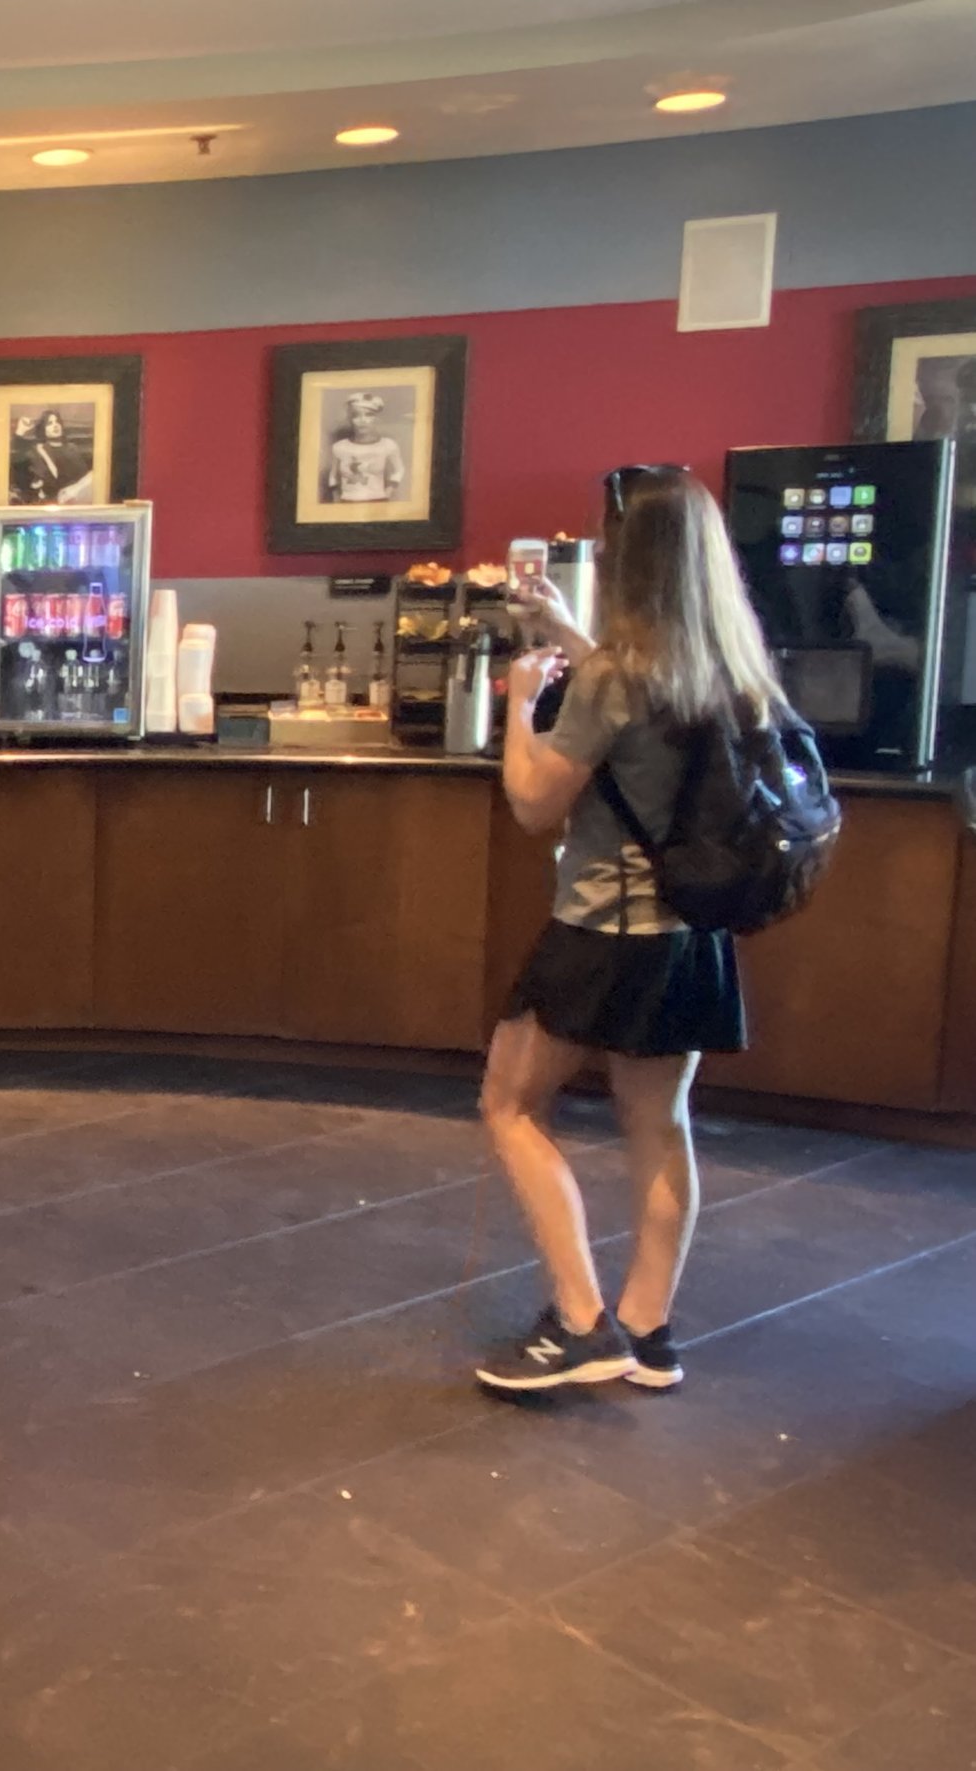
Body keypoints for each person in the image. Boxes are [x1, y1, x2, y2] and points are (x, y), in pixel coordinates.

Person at [474, 464, 782, 1395]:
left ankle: (578, 1319)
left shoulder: (613, 677)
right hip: (693, 935)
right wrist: (573, 635)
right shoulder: (733, 668)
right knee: (660, 1121)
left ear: (630, 562)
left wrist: (522, 707)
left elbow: (534, 803)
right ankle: (648, 1331)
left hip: (603, 931)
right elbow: (641, 721)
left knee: (511, 1103)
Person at [325, 391, 404, 504]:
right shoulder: (339, 447)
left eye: (369, 415)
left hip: (378, 501)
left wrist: (388, 492)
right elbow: (332, 475)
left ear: (376, 419)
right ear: (350, 419)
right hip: (346, 502)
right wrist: (336, 497)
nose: (362, 420)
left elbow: (399, 470)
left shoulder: (388, 445)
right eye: (356, 415)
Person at [24, 408, 94, 504]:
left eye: (57, 422)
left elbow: (84, 474)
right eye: (50, 423)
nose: (55, 425)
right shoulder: (39, 451)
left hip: (79, 492)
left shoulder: (72, 448)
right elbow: (54, 478)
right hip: (59, 497)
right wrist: (42, 452)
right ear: (43, 429)